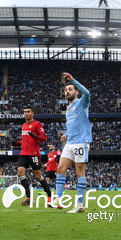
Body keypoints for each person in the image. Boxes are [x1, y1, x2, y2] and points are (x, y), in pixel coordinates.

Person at [54, 73, 91, 213]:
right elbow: (72, 125)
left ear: (76, 92)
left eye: (70, 89)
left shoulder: (82, 102)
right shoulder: (68, 109)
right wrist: (66, 135)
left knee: (79, 172)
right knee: (60, 169)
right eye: (65, 90)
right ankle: (58, 198)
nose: (67, 92)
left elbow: (87, 93)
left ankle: (80, 205)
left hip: (81, 142)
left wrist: (73, 80)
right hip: (70, 142)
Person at [12, 106, 52, 206]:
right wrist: (17, 143)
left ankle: (49, 194)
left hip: (34, 154)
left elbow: (44, 137)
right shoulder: (23, 125)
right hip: (23, 154)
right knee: (20, 173)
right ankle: (29, 197)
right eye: (25, 112)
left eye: (28, 112)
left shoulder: (37, 124)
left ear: (33, 113)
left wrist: (35, 136)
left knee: (38, 176)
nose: (26, 113)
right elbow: (25, 141)